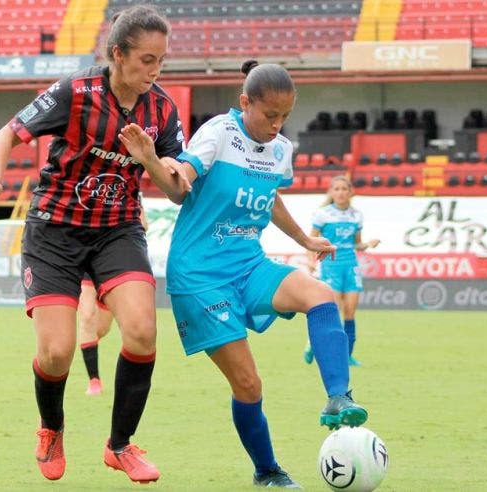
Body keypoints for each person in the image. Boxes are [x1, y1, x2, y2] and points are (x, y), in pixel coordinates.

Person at [118, 60, 367, 488]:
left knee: (321, 297)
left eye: (285, 116)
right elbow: (180, 187)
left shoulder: (280, 150)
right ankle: (267, 470)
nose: (277, 125)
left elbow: (269, 199)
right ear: (245, 102)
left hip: (249, 264)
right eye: (270, 115)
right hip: (200, 277)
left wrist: (305, 241)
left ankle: (337, 398)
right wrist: (151, 162)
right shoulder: (218, 133)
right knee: (249, 384)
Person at [0, 5, 184, 484]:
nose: (155, 70)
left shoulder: (163, 111)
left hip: (117, 229)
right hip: (55, 231)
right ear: (117, 54)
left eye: (161, 61)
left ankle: (121, 445)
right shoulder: (76, 92)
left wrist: (148, 159)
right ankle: (51, 429)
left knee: (142, 330)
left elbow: (176, 188)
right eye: (147, 59)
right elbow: (6, 135)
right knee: (56, 352)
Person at [304, 175, 380, 367]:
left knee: (350, 312)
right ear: (331, 192)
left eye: (344, 189)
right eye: (336, 189)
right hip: (331, 264)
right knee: (333, 310)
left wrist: (368, 244)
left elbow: (356, 244)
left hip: (351, 265)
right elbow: (309, 241)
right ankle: (315, 344)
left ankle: (348, 355)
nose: (340, 192)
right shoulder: (323, 214)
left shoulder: (356, 215)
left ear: (350, 192)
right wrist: (310, 261)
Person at [78, 210, 149, 396]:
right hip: (82, 255)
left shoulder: (121, 187)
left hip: (108, 256)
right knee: (86, 316)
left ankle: (101, 307)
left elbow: (144, 224)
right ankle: (94, 381)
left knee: (100, 329)